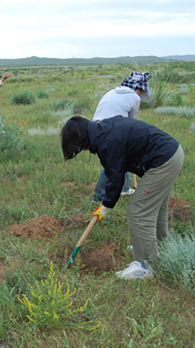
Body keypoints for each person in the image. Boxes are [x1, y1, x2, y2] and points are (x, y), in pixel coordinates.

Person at [61, 116, 184, 280]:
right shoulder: (104, 129)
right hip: (172, 153)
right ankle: (158, 247)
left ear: (82, 140)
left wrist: (105, 207)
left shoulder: (107, 142)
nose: (83, 150)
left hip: (162, 161)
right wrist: (106, 205)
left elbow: (116, 178)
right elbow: (117, 170)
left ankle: (145, 264)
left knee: (138, 211)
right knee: (156, 208)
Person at [92, 71, 151, 202]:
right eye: (141, 92)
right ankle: (99, 196)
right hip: (110, 132)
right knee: (113, 163)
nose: (140, 95)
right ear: (138, 89)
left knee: (123, 158)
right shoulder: (134, 98)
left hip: (96, 130)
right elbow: (131, 122)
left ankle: (124, 189)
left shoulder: (111, 92)